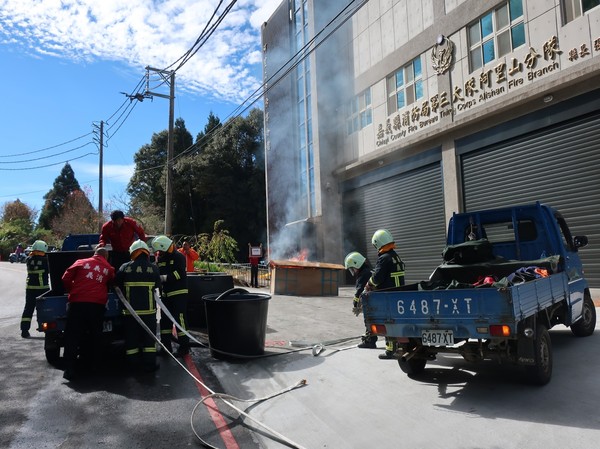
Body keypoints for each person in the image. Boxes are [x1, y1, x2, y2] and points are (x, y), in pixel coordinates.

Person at [61, 247, 115, 381]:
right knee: (95, 335)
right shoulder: (108, 268)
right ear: (106, 256)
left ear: (94, 254)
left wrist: (72, 290)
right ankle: (94, 367)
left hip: (77, 303)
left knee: (72, 336)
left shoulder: (80, 262)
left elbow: (65, 277)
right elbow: (113, 283)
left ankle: (69, 369)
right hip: (97, 305)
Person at [115, 240, 162, 373]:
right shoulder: (153, 268)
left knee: (131, 340)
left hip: (130, 313)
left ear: (133, 253)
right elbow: (158, 287)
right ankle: (150, 364)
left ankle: (132, 365)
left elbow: (115, 284)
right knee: (149, 341)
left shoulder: (125, 267)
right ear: (146, 252)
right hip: (149, 313)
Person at [365, 229, 406, 359]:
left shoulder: (384, 258)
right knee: (397, 322)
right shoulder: (395, 256)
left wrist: (369, 284)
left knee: (387, 322)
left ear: (378, 243)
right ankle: (400, 346)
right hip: (398, 294)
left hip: (387, 296)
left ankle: (390, 350)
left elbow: (377, 278)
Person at [151, 235, 190, 357]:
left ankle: (184, 347)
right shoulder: (161, 259)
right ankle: (166, 347)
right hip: (165, 295)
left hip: (178, 293)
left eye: (160, 250)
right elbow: (157, 272)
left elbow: (180, 274)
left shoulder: (179, 257)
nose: (159, 253)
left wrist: (163, 278)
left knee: (180, 319)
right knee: (165, 322)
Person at [344, 251, 378, 349]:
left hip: (370, 301)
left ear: (357, 264)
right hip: (375, 299)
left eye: (352, 269)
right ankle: (370, 339)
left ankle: (370, 341)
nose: (353, 272)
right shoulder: (368, 271)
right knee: (372, 320)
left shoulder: (363, 275)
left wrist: (355, 302)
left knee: (369, 319)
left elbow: (359, 290)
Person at [20, 240, 50, 338]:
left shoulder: (29, 259)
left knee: (28, 309)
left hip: (30, 289)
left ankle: (24, 331)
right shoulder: (46, 260)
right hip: (43, 289)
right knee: (44, 309)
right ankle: (46, 329)